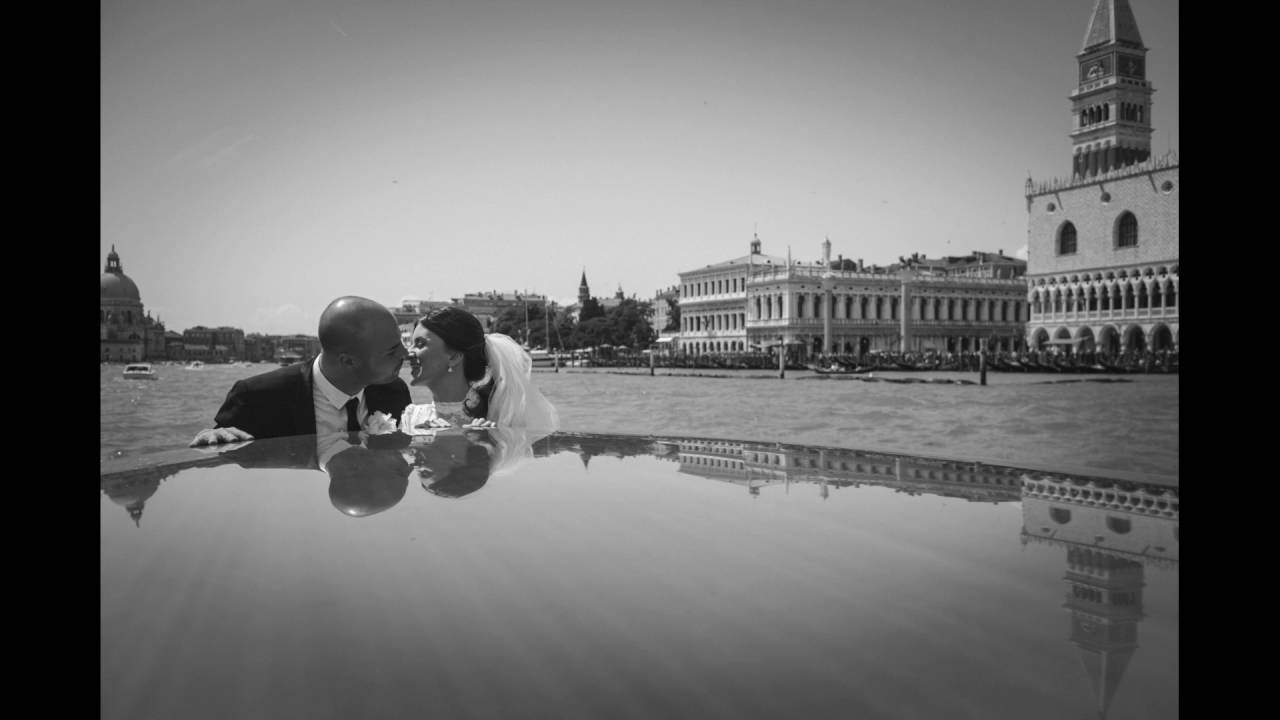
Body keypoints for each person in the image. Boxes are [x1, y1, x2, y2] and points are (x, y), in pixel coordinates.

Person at [189, 296, 411, 446]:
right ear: (347, 361)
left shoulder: (395, 392)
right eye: (392, 351)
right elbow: (222, 457)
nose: (406, 353)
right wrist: (213, 438)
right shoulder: (256, 398)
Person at [403, 306, 559, 431]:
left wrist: (482, 443)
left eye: (420, 344)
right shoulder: (411, 417)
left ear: (454, 357)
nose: (408, 353)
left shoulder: (501, 420)